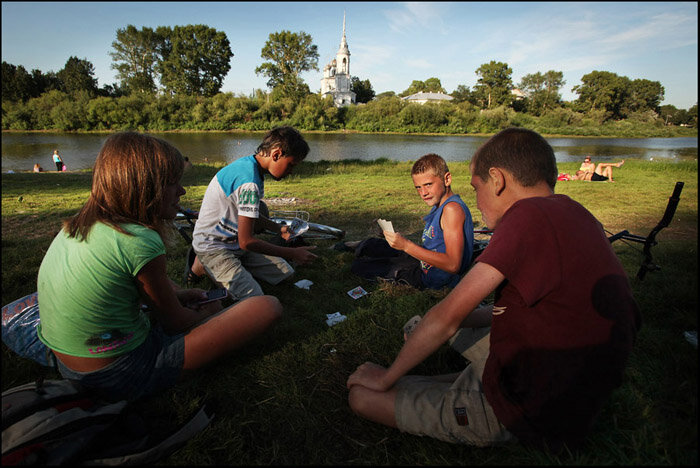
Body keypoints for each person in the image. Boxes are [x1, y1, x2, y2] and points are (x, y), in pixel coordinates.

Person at [346, 128, 641, 452]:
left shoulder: (524, 217)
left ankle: (448, 394)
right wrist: (458, 321)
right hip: (576, 385)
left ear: (497, 180)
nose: (476, 200)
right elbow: (517, 311)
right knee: (421, 329)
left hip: (534, 407)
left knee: (363, 396)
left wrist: (386, 378)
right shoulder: (575, 213)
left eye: (476, 187)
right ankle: (444, 382)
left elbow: (446, 316)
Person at [36, 132, 283, 402]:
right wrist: (212, 313)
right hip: (116, 373)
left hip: (69, 364)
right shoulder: (140, 241)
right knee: (266, 306)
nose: (182, 191)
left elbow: (131, 284)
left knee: (179, 292)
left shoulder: (82, 223)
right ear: (146, 188)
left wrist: (177, 296)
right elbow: (175, 321)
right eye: (173, 183)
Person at [190, 126, 317, 301]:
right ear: (276, 154)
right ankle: (203, 264)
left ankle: (222, 267)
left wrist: (278, 229)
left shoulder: (250, 165)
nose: (291, 172)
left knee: (286, 274)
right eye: (291, 165)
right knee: (255, 300)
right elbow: (247, 241)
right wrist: (292, 253)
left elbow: (250, 215)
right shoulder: (249, 182)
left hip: (233, 244)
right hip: (215, 247)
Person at [339, 153, 474, 290]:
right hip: (426, 263)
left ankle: (356, 250)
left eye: (428, 184)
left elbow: (453, 264)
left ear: (447, 179)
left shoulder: (452, 209)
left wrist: (406, 246)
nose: (423, 193)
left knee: (361, 267)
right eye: (418, 187)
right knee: (377, 245)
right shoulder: (441, 204)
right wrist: (397, 240)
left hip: (432, 279)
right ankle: (355, 246)